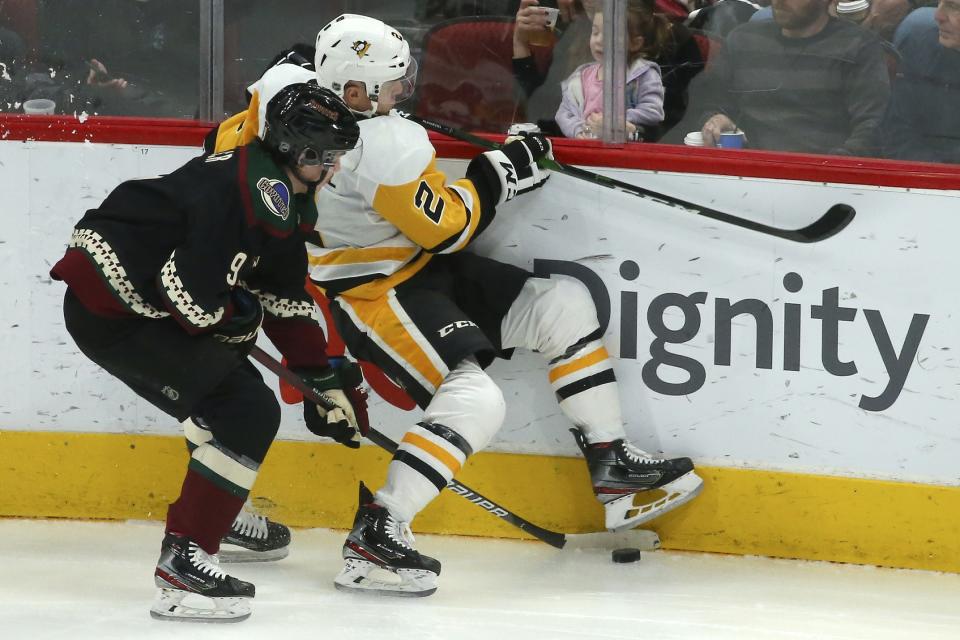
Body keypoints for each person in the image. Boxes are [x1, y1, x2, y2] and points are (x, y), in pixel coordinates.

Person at [300, 14, 701, 597]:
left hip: (416, 268)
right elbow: (445, 226)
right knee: (475, 400)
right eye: (390, 86)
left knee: (559, 304)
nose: (402, 93)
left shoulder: (327, 105)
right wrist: (502, 173)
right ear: (354, 92)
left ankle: (613, 469)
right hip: (372, 287)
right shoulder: (373, 144)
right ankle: (378, 533)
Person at [50, 83, 362, 622]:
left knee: (231, 394)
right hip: (116, 313)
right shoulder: (247, 192)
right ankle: (185, 564)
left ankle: (217, 511)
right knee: (245, 408)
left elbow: (283, 294)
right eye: (329, 158)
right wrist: (240, 319)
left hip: (139, 307)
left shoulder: (275, 191)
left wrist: (322, 380)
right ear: (301, 153)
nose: (335, 169)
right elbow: (189, 298)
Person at [697, 0, 891, 155]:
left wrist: (827, 170)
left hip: (824, 180)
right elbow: (710, 103)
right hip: (748, 173)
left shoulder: (857, 47)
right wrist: (717, 119)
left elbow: (870, 130)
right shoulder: (743, 40)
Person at [513, 0, 705, 140]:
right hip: (570, 168)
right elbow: (542, 113)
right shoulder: (577, 33)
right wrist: (521, 44)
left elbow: (685, 129)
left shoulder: (676, 41)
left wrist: (629, 130)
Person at [556, 1, 667, 139]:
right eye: (595, 32)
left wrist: (615, 122)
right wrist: (579, 131)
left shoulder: (643, 74)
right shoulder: (581, 77)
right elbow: (564, 113)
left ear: (635, 43)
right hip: (585, 152)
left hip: (622, 155)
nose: (599, 41)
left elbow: (653, 111)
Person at [881, 4, 960, 163]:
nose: (938, 16)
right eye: (940, 2)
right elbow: (897, 137)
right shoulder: (920, 45)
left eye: (954, 6)